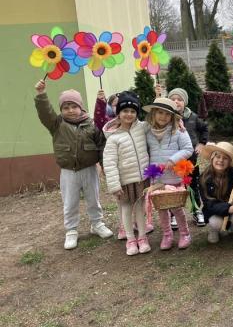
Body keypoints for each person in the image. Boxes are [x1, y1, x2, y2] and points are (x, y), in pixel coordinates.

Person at [34, 80, 113, 249]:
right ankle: (71, 230)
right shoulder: (57, 124)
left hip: (90, 170)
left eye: (74, 106)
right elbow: (45, 113)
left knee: (93, 199)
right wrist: (41, 94)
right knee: (70, 202)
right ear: (61, 110)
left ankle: (97, 224)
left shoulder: (91, 124)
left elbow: (101, 145)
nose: (70, 110)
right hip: (69, 172)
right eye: (66, 107)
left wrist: (104, 165)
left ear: (81, 107)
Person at [102, 92, 151, 255]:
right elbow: (109, 163)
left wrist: (178, 122)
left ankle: (142, 237)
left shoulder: (142, 128)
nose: (129, 114)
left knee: (140, 209)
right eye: (125, 111)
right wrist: (114, 185)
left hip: (141, 179)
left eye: (132, 111)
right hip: (124, 181)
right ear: (118, 113)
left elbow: (158, 122)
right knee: (126, 209)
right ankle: (130, 239)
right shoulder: (113, 138)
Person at [144, 97, 193, 250]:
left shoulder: (178, 131)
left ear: (172, 116)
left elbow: (188, 149)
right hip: (157, 178)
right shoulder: (148, 132)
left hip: (173, 177)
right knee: (162, 208)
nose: (163, 117)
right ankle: (167, 234)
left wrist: (173, 159)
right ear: (153, 113)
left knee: (176, 207)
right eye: (160, 112)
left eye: (167, 114)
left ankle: (185, 233)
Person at [166, 87, 208, 228]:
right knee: (173, 187)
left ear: (185, 102)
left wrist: (201, 143)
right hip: (172, 160)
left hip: (190, 160)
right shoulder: (166, 117)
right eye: (173, 99)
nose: (176, 101)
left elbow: (204, 129)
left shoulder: (193, 117)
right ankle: (174, 214)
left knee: (192, 185)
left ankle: (196, 210)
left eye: (179, 99)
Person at [199, 142, 233, 243]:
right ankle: (214, 230)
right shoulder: (204, 178)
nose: (221, 160)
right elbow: (208, 203)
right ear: (212, 158)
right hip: (215, 211)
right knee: (215, 222)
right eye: (218, 157)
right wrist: (228, 208)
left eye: (225, 158)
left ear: (229, 161)